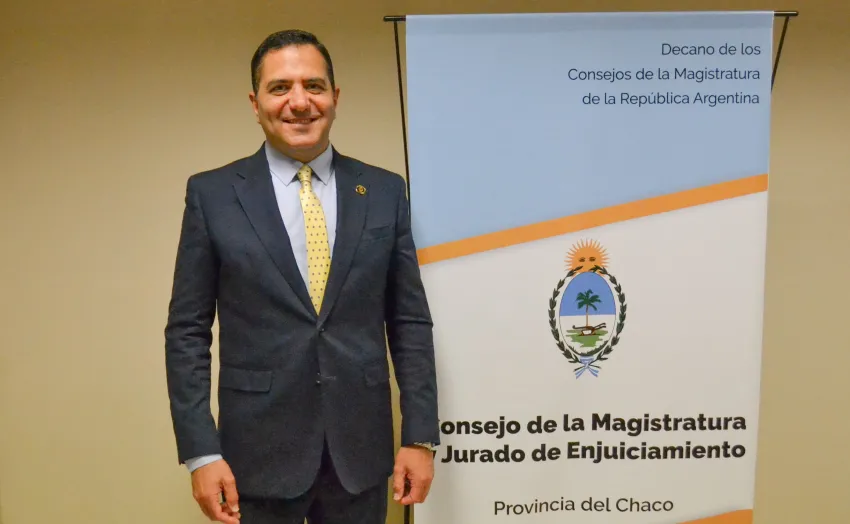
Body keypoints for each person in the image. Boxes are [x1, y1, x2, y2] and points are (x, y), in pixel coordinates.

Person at [164, 29, 439, 524]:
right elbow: (187, 331)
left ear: (335, 97)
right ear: (256, 104)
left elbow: (409, 323)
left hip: (360, 456)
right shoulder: (213, 195)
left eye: (314, 86)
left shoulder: (383, 191)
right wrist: (201, 453)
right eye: (280, 88)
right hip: (256, 456)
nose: (299, 102)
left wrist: (419, 437)